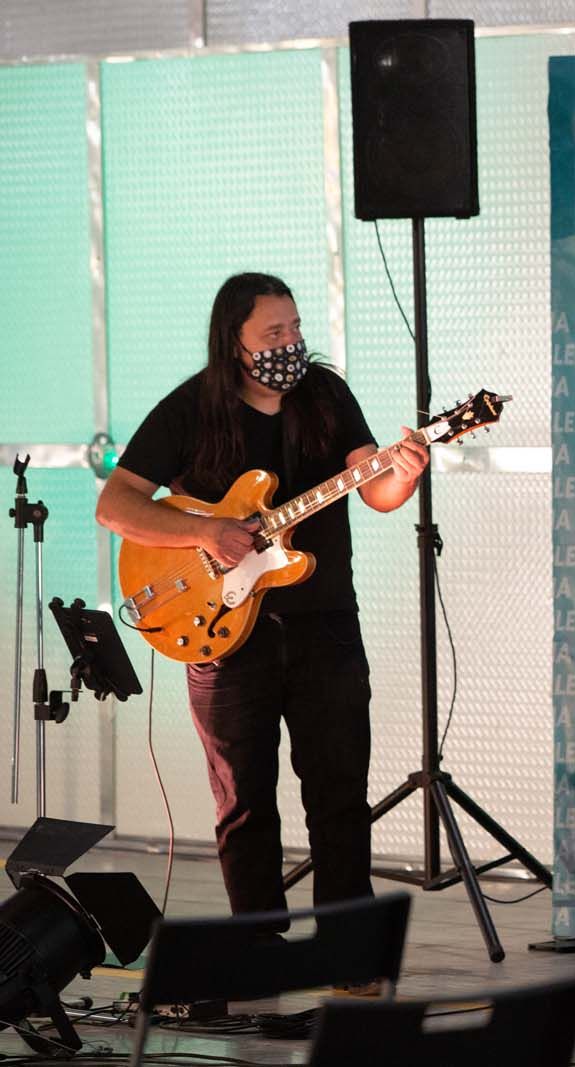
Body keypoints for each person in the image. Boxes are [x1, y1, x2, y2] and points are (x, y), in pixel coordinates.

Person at [96, 272, 427, 928]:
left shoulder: (325, 394)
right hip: (221, 629)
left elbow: (375, 487)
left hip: (325, 624)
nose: (291, 342)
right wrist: (206, 530)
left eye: (296, 327)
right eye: (273, 332)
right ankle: (259, 955)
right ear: (234, 341)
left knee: (338, 794)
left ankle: (347, 947)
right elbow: (116, 503)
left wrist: (406, 476)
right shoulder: (193, 407)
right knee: (244, 802)